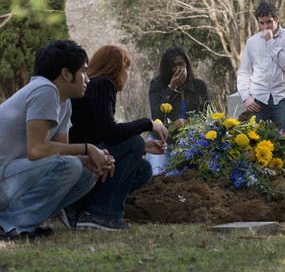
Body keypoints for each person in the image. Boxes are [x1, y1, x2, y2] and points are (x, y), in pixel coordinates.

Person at [0, 40, 114, 241]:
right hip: (4, 180)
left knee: (87, 172)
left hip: (12, 178)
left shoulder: (64, 101)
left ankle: (24, 222)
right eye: (83, 72)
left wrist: (89, 160)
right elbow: (35, 150)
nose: (87, 79)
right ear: (66, 73)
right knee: (70, 165)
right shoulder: (45, 89)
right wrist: (89, 149)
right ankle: (11, 225)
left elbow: (60, 152)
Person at [66, 45, 168, 231]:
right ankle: (99, 214)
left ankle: (79, 207)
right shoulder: (104, 84)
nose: (127, 74)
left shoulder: (93, 85)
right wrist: (148, 123)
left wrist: (144, 147)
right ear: (117, 68)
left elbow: (96, 133)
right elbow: (109, 132)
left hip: (77, 158)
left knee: (142, 168)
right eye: (126, 68)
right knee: (135, 143)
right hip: (81, 161)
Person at [237, 1, 285, 138]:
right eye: (261, 23)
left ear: (276, 19)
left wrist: (270, 42)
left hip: (281, 96)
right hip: (257, 98)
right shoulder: (251, 42)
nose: (265, 27)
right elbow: (244, 73)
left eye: (269, 22)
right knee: (255, 142)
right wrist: (246, 97)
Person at [148, 46, 210, 174]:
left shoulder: (199, 86)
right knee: (158, 178)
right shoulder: (157, 84)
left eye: (181, 64)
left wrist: (190, 122)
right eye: (173, 66)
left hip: (190, 143)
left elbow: (209, 117)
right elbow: (156, 116)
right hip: (161, 140)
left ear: (187, 65)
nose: (178, 69)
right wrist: (171, 88)